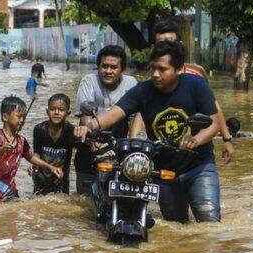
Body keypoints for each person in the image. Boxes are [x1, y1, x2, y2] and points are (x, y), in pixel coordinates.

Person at [84, 41, 221, 223]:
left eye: (162, 69)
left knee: (210, 224)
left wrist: (196, 139)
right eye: (153, 68)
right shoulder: (143, 91)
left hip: (199, 167)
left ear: (179, 69)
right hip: (163, 171)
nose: (155, 74)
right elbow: (116, 112)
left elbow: (214, 124)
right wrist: (90, 126)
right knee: (176, 227)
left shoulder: (197, 86)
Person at [132, 20, 235, 163]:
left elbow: (213, 107)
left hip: (196, 151)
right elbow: (142, 112)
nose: (166, 47)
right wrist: (134, 142)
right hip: (163, 150)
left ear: (179, 44)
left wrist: (226, 138)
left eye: (170, 42)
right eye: (161, 44)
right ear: (154, 47)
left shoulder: (197, 74)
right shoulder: (153, 78)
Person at [74, 45, 139, 195]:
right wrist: (93, 140)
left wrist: (134, 145)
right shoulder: (89, 81)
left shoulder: (131, 83)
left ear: (122, 69)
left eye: (113, 67)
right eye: (104, 66)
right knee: (83, 201)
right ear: (98, 67)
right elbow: (86, 117)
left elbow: (135, 118)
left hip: (120, 147)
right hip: (90, 143)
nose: (108, 71)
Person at [0, 96, 63, 202]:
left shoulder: (22, 141)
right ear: (5, 117)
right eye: (19, 117)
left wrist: (51, 167)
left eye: (23, 117)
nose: (22, 120)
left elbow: (31, 157)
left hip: (9, 191)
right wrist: (2, 149)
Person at [30, 94, 88, 195]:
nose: (56, 112)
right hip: (41, 177)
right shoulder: (39, 129)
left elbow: (83, 152)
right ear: (47, 112)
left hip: (61, 180)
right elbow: (37, 153)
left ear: (68, 113)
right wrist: (34, 165)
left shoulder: (71, 131)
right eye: (53, 109)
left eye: (61, 110)